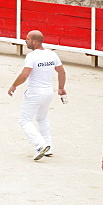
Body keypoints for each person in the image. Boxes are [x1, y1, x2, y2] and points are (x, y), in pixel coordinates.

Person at [7, 30, 66, 160]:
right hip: (48, 92)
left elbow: (25, 74)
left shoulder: (32, 56)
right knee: (42, 119)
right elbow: (61, 72)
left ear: (34, 41)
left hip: (35, 92)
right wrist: (61, 88)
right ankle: (48, 145)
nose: (25, 41)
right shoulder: (52, 54)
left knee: (24, 120)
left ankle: (40, 145)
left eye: (27, 39)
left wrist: (14, 85)